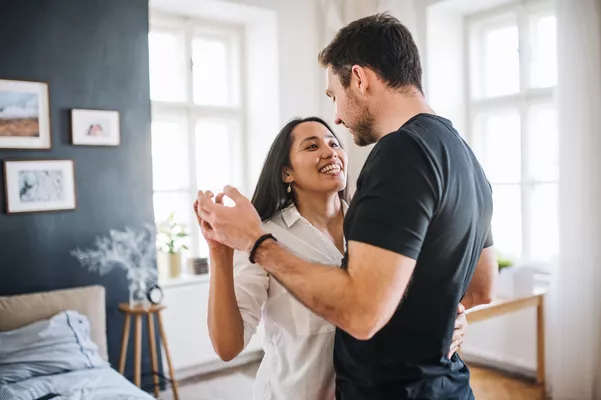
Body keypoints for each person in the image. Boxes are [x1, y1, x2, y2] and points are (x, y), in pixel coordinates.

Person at [196, 13, 497, 400]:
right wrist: (438, 318)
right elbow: (480, 288)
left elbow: (362, 312)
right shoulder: (465, 157)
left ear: (359, 78)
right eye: (311, 145)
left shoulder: (399, 152)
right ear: (285, 171)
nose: (337, 119)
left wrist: (257, 243)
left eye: (334, 97)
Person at [194, 116, 468, 400]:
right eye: (311, 146)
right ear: (287, 172)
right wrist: (219, 254)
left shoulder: (379, 227)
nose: (330, 152)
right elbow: (228, 347)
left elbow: (403, 299)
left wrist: (450, 321)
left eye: (334, 143)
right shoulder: (260, 237)